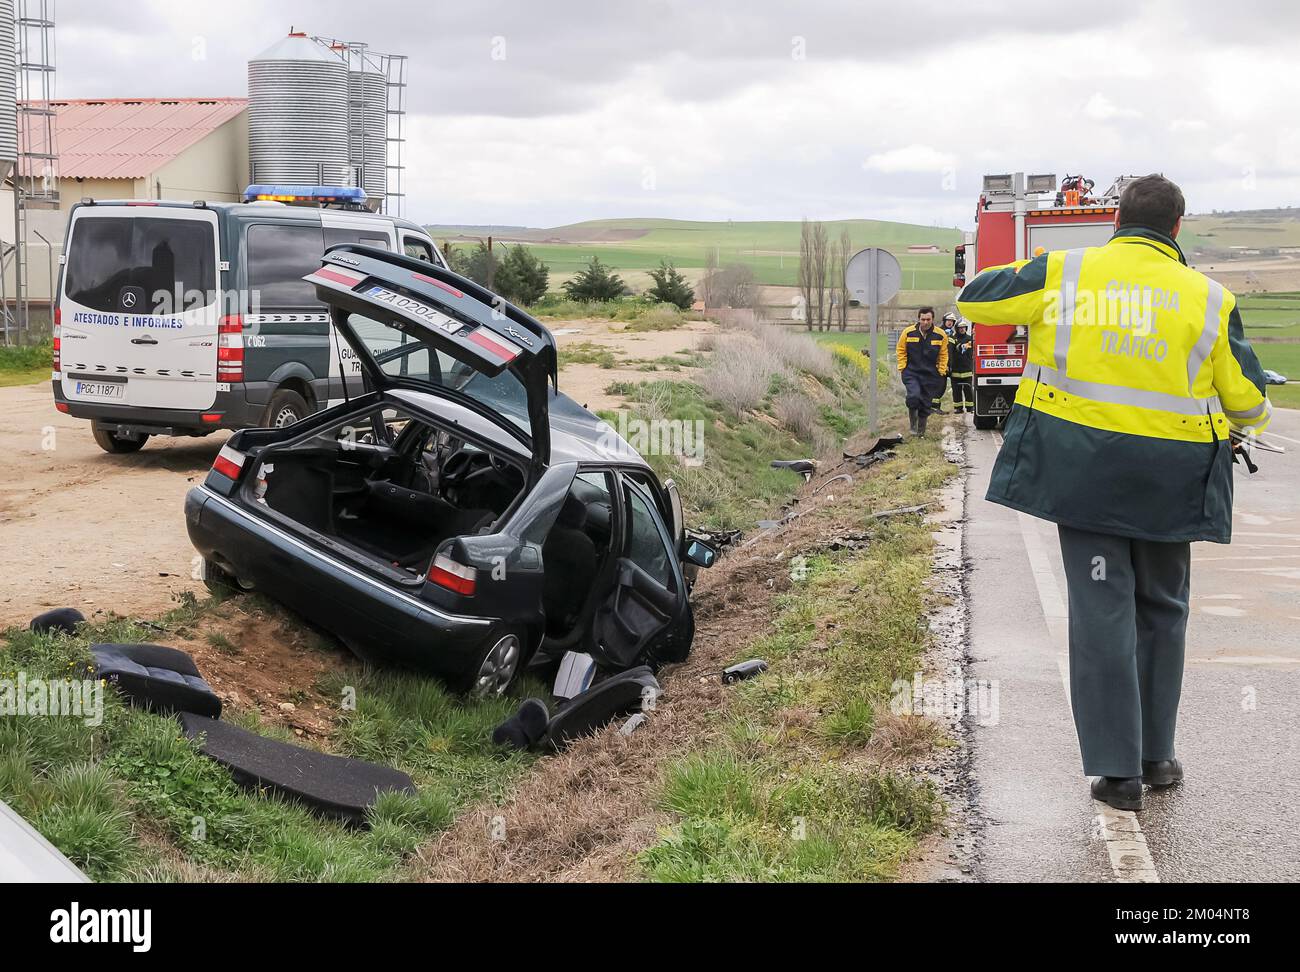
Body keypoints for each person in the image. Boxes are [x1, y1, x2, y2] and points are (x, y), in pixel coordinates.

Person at [957, 174, 1272, 811]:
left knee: (1102, 611)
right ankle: (1158, 757)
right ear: (1177, 228)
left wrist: (1038, 266)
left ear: (1117, 222)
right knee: (1163, 609)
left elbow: (977, 300)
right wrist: (1251, 417)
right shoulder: (1209, 298)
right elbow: (1247, 399)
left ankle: (1116, 771)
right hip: (1172, 479)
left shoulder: (1067, 273)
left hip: (1086, 474)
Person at [896, 306, 949, 437]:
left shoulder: (940, 335)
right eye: (923, 319)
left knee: (925, 403)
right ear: (919, 319)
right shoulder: (908, 333)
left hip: (930, 375)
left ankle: (921, 432)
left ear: (933, 319)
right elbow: (901, 350)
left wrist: (941, 370)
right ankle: (913, 427)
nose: (925, 322)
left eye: (928, 319)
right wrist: (902, 367)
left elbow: (944, 354)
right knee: (913, 396)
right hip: (911, 373)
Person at [949, 318, 974, 415]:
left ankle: (970, 407)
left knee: (968, 389)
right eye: (960, 328)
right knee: (956, 390)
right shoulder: (953, 338)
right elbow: (951, 350)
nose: (962, 329)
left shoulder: (969, 338)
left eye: (964, 328)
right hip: (955, 368)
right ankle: (958, 408)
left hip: (966, 368)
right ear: (957, 329)